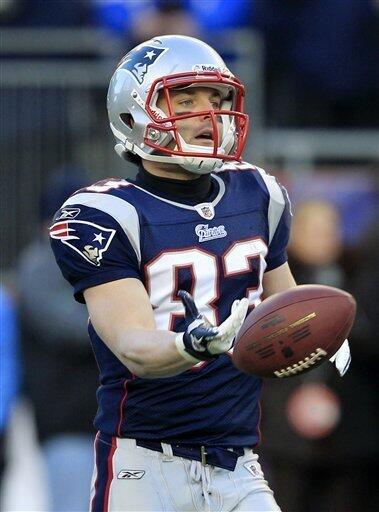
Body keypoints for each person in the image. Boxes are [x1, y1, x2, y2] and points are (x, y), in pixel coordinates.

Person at [49, 35, 348, 511]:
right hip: (143, 465)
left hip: (240, 463)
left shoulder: (259, 194)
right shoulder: (107, 214)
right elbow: (132, 347)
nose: (207, 115)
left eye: (216, 99)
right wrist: (195, 344)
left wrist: (317, 333)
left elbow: (287, 309)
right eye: (184, 101)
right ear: (134, 115)